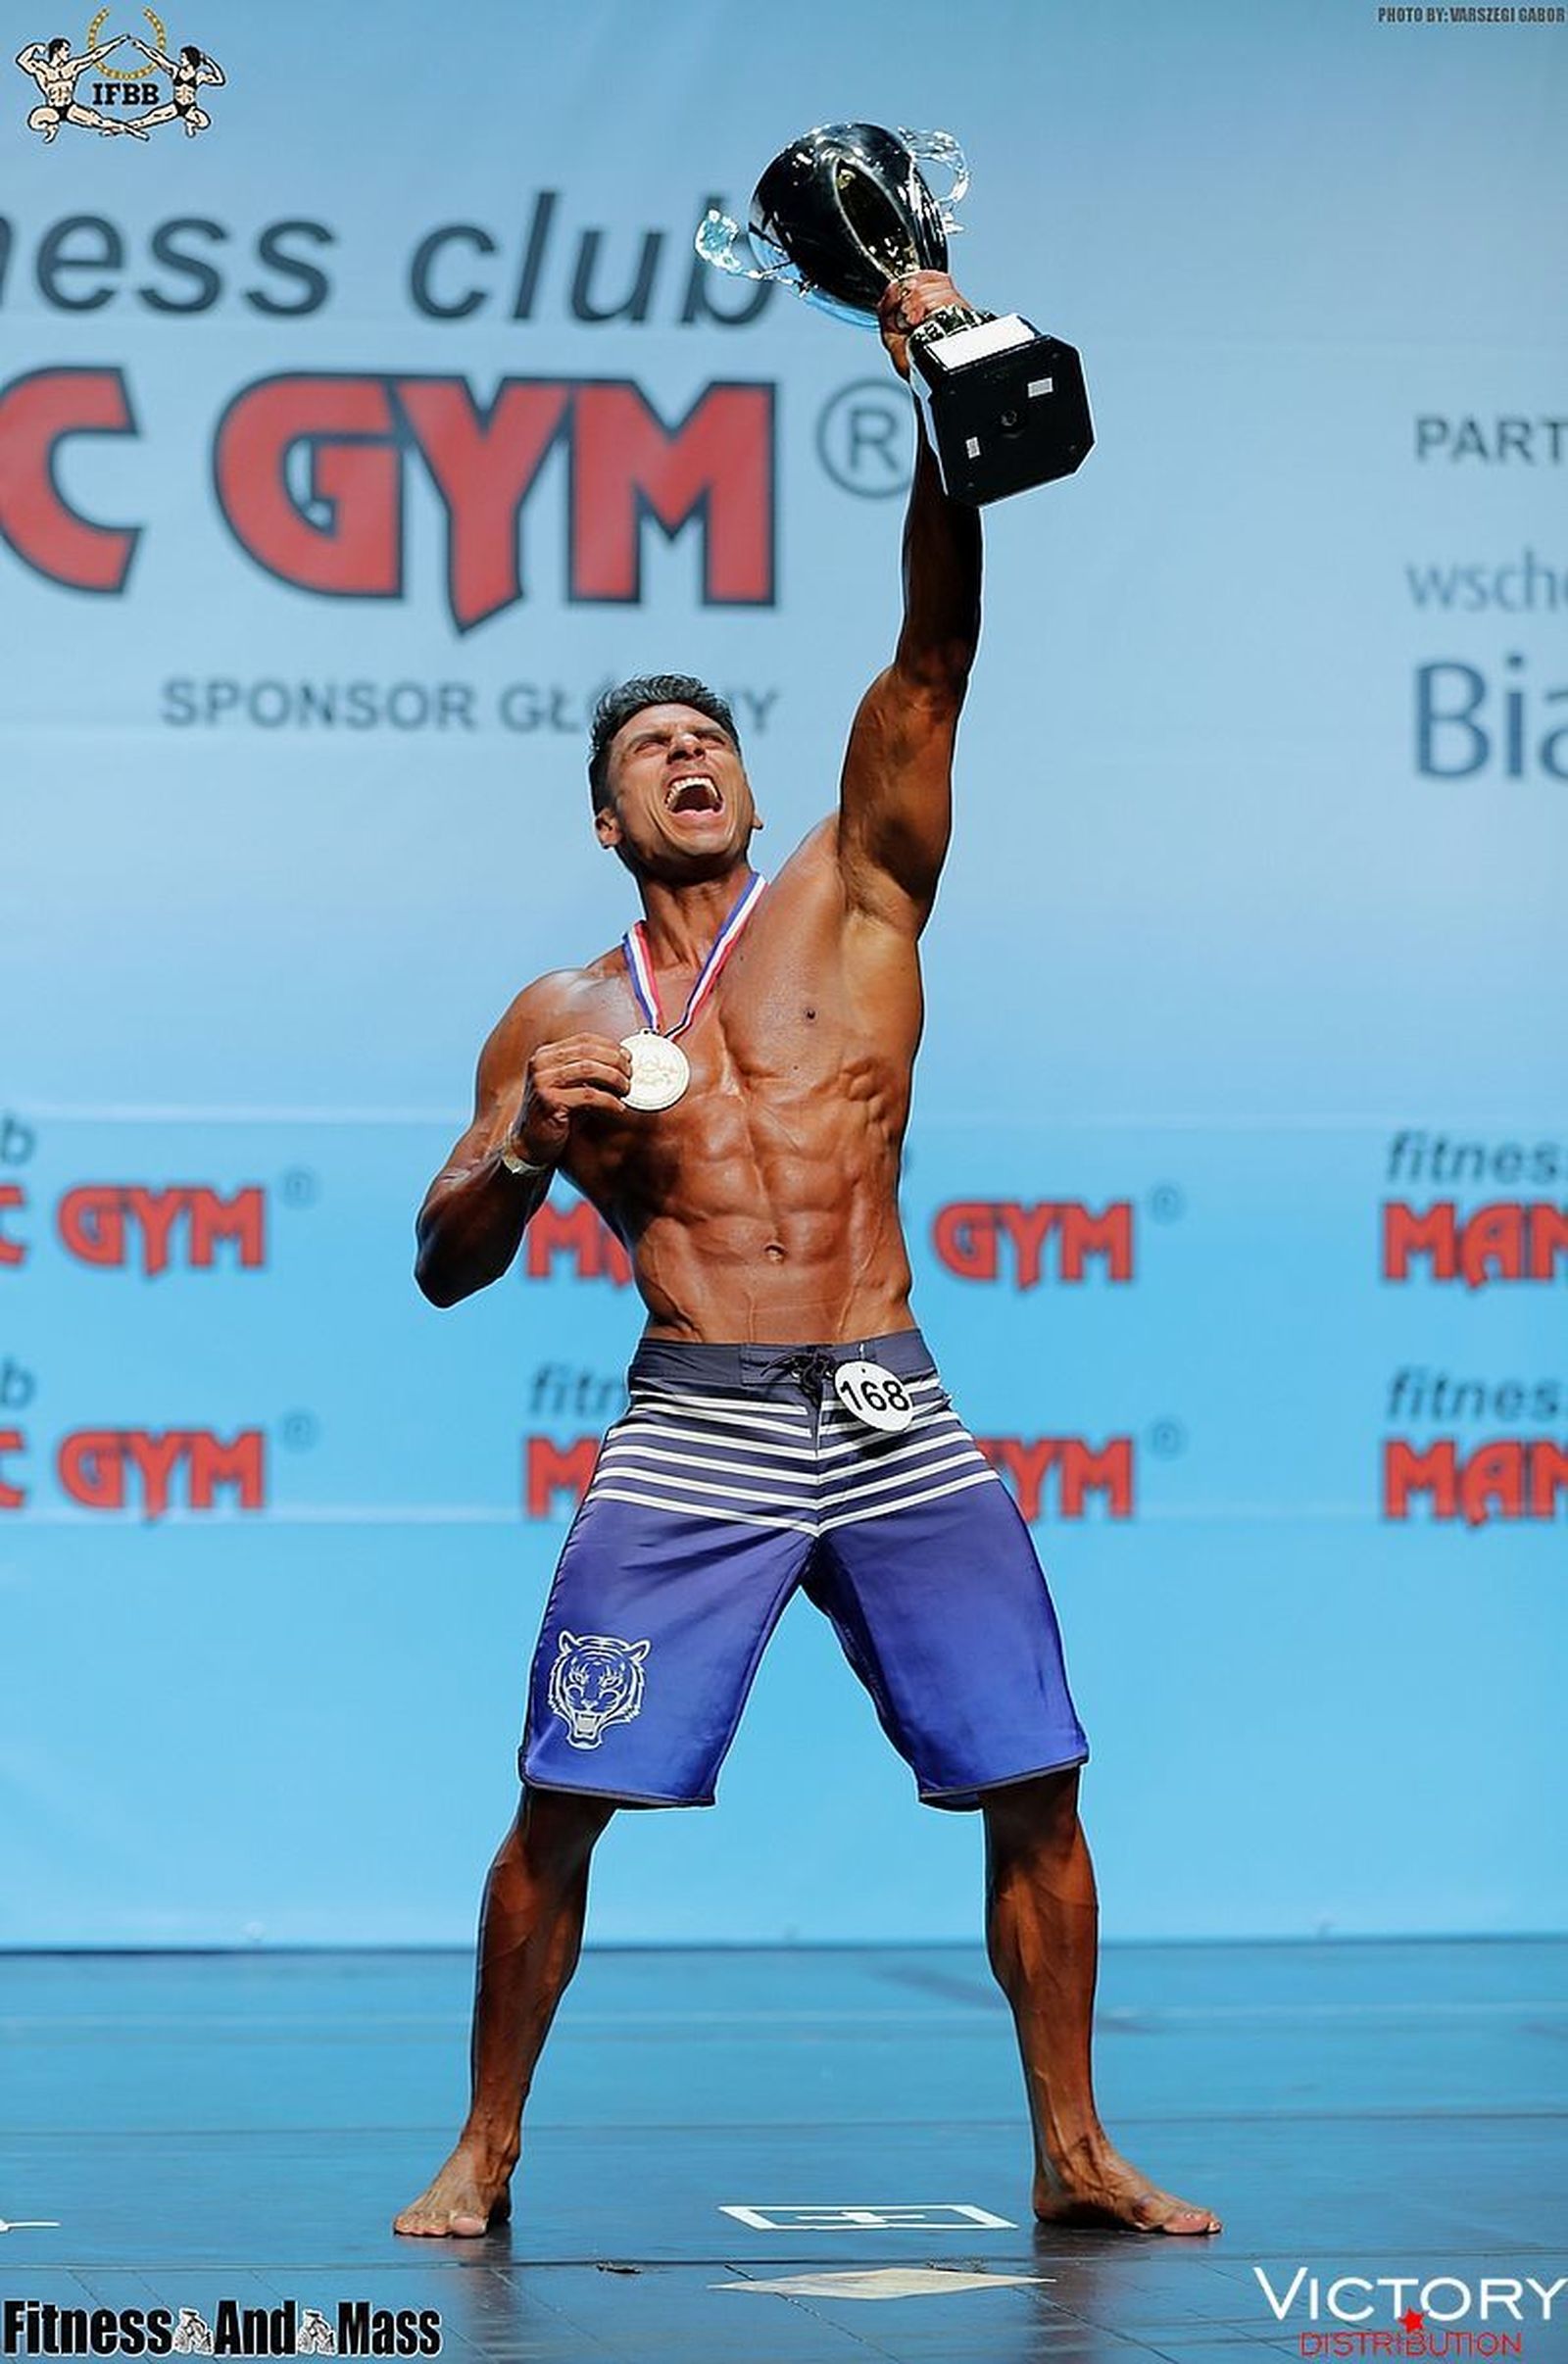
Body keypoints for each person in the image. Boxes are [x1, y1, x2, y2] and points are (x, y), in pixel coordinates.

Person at [395, 271, 1220, 2242]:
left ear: (750, 785)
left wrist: (940, 397)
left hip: (885, 1398)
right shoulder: (557, 1014)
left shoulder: (855, 899)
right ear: (606, 820)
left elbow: (931, 654)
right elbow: (443, 1260)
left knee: (1037, 1778)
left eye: (708, 737)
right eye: (648, 750)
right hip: (695, 1418)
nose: (687, 756)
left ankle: (1071, 2146)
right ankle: (486, 2144)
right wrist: (524, 1144)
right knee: (561, 1800)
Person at [16, 33, 144, 139]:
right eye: (65, 50)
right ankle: (51, 128)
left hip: (70, 108)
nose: (68, 53)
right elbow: (22, 60)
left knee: (100, 122)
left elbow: (94, 55)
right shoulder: (42, 69)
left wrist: (116, 43)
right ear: (56, 51)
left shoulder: (72, 67)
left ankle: (129, 129)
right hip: (52, 109)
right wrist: (34, 47)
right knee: (33, 122)